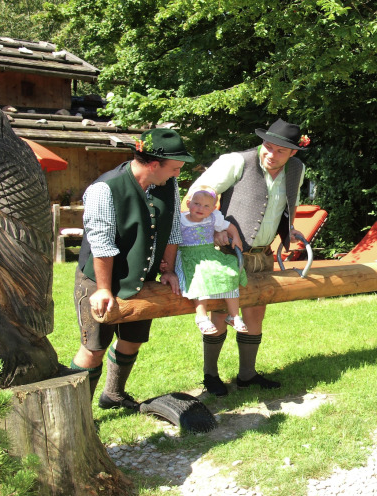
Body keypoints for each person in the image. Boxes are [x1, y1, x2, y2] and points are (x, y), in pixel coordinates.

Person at [70, 128, 194, 410]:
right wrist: (104, 289)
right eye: (175, 168)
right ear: (154, 165)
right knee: (93, 349)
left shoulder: (168, 185)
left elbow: (173, 229)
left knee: (131, 340)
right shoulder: (104, 189)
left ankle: (113, 394)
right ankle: (78, 414)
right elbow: (101, 244)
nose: (177, 174)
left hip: (141, 278)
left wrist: (168, 270)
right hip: (99, 281)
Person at [187, 118, 309, 396]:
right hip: (226, 255)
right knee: (219, 314)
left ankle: (247, 375)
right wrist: (215, 227)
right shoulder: (236, 162)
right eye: (268, 146)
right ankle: (211, 376)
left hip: (262, 255)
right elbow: (196, 195)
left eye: (280, 151)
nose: (271, 154)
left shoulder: (297, 169)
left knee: (255, 314)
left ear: (293, 152)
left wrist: (289, 229)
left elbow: (289, 202)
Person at [175, 186, 248, 335]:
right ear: (188, 203)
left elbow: (230, 226)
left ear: (213, 208)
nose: (200, 208)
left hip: (209, 253)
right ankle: (201, 316)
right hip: (189, 255)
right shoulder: (180, 220)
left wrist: (236, 238)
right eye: (197, 204)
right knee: (199, 274)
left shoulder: (213, 218)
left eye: (206, 206)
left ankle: (234, 315)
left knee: (229, 270)